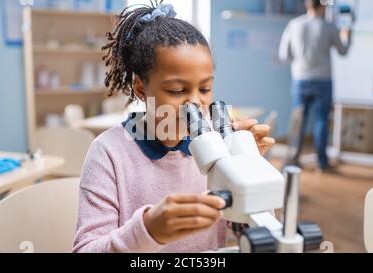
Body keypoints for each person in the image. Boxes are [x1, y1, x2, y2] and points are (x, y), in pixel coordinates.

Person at [73, 2, 275, 253]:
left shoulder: (221, 145)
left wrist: (246, 172)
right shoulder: (108, 153)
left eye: (205, 89)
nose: (195, 102)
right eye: (177, 90)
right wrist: (147, 230)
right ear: (140, 89)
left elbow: (254, 231)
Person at [279, 0, 352, 171]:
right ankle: (322, 163)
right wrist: (346, 35)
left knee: (299, 122)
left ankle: (293, 160)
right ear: (323, 5)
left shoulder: (294, 24)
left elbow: (284, 55)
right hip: (323, 80)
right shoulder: (329, 26)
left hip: (300, 79)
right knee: (321, 121)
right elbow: (343, 50)